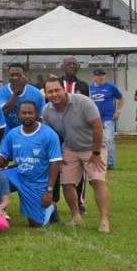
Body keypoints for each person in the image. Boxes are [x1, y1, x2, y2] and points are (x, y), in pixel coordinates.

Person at [41, 78, 109, 233]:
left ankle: (104, 220)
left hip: (94, 146)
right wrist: (58, 154)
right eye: (50, 91)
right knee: (66, 182)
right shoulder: (47, 110)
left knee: (97, 181)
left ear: (63, 89)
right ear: (46, 93)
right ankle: (76, 216)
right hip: (70, 148)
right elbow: (50, 136)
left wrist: (96, 153)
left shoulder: (83, 102)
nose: (54, 94)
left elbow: (98, 127)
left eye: (57, 90)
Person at [0, 100, 62, 228]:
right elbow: (2, 156)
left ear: (36, 113)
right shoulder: (13, 133)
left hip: (37, 182)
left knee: (36, 225)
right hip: (18, 175)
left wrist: (49, 191)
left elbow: (55, 164)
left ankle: (51, 207)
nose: (27, 116)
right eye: (24, 113)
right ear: (19, 114)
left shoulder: (49, 134)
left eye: (30, 113)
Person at [89, 68, 123, 170]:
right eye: (99, 75)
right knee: (94, 139)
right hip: (95, 118)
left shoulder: (110, 86)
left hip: (108, 117)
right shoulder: (90, 88)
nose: (102, 77)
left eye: (103, 75)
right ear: (94, 77)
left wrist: (118, 111)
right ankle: (95, 158)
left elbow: (121, 98)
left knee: (108, 139)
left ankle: (110, 162)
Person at [0, 63, 45, 132]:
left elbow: (41, 118)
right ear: (8, 76)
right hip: (8, 132)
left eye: (18, 75)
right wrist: (18, 91)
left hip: (30, 132)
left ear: (25, 76)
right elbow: (5, 111)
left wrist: (36, 134)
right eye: (12, 75)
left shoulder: (36, 93)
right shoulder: (2, 91)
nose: (15, 78)